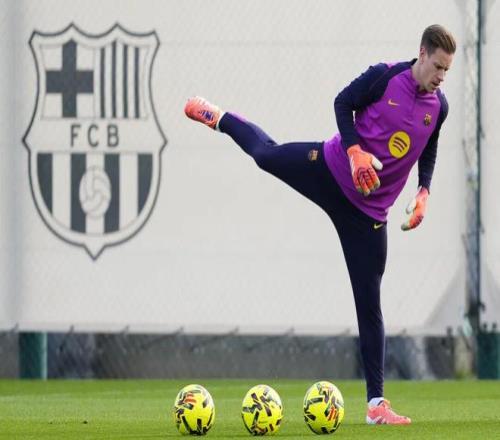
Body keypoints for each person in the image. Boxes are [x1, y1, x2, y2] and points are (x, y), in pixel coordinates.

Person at [184, 24, 456, 425]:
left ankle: (376, 405)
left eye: (447, 70)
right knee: (266, 156)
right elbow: (342, 103)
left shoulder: (439, 106)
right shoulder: (384, 77)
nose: (441, 76)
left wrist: (424, 191)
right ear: (422, 53)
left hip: (368, 218)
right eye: (437, 66)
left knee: (370, 306)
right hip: (330, 170)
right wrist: (355, 152)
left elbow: (428, 146)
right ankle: (219, 117)